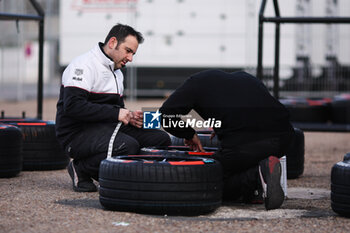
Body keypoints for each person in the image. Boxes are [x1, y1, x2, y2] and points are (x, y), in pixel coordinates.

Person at [55, 24, 171, 192]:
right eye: (128, 50)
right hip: (75, 133)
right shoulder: (82, 65)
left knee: (161, 138)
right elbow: (73, 107)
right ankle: (81, 168)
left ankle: (139, 177)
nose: (130, 58)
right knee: (127, 145)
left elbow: (115, 110)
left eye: (133, 53)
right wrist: (117, 113)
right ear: (112, 42)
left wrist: (131, 117)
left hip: (105, 128)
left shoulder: (117, 71)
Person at [159, 69, 295, 210]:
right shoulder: (246, 77)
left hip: (248, 143)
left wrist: (189, 134)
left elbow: (165, 115)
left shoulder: (194, 83)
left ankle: (256, 176)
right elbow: (250, 110)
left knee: (205, 182)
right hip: (285, 137)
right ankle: (259, 179)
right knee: (241, 158)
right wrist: (221, 127)